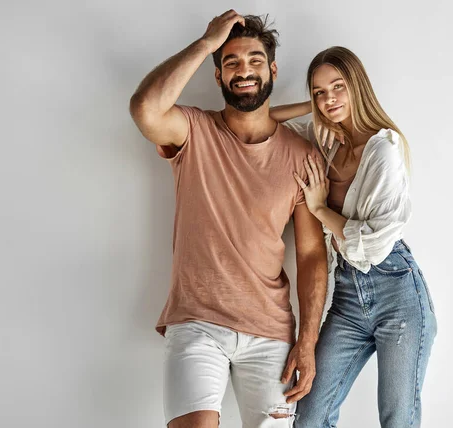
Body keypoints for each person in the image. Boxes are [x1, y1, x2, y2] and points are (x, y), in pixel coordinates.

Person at [129, 10, 328, 428]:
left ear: (272, 70)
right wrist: (205, 43)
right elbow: (145, 108)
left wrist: (307, 342)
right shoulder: (193, 130)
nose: (244, 71)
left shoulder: (302, 154)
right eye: (231, 62)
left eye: (255, 61)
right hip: (198, 323)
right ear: (217, 76)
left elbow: (311, 253)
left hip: (271, 332)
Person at [270, 46, 437, 428]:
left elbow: (376, 242)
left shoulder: (385, 150)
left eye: (338, 87)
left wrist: (318, 209)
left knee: (397, 419)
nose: (329, 99)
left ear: (357, 86)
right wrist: (309, 109)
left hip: (397, 292)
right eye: (319, 92)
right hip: (347, 295)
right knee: (309, 417)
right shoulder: (324, 138)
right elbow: (264, 122)